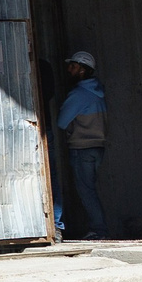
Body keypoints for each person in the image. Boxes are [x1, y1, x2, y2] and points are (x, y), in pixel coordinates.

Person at [54, 52, 110, 239]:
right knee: (90, 189)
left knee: (86, 192)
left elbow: (61, 121)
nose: (69, 70)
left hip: (82, 148)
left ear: (82, 70)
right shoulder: (97, 91)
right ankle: (99, 229)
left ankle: (99, 230)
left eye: (73, 66)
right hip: (97, 146)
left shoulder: (79, 94)